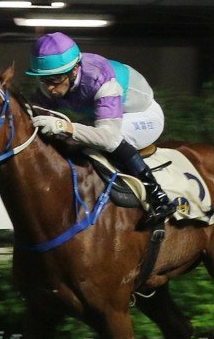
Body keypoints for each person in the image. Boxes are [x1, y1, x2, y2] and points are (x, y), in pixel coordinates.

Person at [24, 32, 176, 228]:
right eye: (44, 80)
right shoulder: (57, 78)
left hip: (142, 115)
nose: (50, 88)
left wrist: (64, 126)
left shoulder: (101, 79)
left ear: (74, 70)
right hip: (109, 113)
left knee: (107, 142)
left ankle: (158, 197)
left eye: (55, 80)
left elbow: (108, 137)